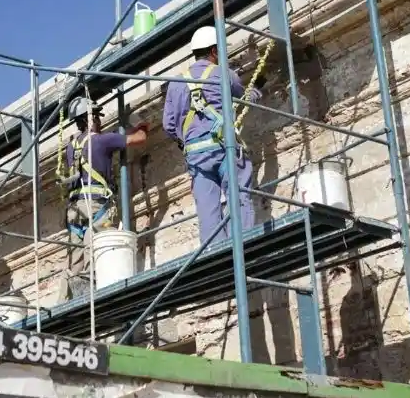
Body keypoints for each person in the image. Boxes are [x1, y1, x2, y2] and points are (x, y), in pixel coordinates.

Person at [162, 26, 266, 245]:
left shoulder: (176, 83)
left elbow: (169, 125)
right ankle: (243, 247)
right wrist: (258, 87)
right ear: (213, 51)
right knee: (238, 199)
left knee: (208, 212)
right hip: (223, 147)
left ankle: (217, 254)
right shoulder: (224, 74)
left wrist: (187, 138)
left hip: (196, 155)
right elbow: (244, 101)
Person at [62, 96, 149, 299]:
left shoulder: (70, 147)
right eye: (97, 118)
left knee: (76, 259)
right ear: (91, 119)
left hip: (74, 210)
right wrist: (139, 122)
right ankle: (96, 300)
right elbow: (140, 138)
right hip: (95, 206)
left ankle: (75, 299)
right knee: (97, 254)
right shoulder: (102, 140)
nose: (100, 122)